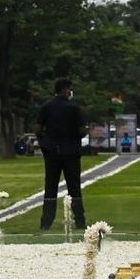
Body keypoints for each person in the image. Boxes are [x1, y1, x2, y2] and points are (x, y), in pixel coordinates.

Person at [36, 77, 87, 230]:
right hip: (71, 151)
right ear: (66, 90)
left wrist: (44, 142)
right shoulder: (74, 108)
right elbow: (82, 130)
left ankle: (46, 222)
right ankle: (80, 220)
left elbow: (38, 129)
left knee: (50, 186)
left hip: (51, 151)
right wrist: (75, 138)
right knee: (74, 187)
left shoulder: (46, 107)